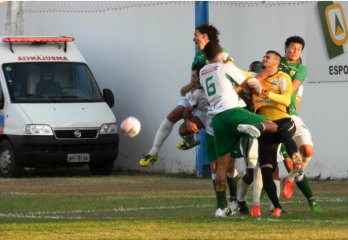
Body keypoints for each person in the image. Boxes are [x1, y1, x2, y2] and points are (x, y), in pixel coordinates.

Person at [200, 42, 278, 218]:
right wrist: (263, 74)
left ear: (206, 57)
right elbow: (248, 83)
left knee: (222, 166)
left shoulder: (203, 72)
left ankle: (221, 208)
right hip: (232, 112)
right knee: (272, 126)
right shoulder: (225, 66)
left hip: (217, 119)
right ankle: (252, 128)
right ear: (221, 54)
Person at [139, 23, 222, 167]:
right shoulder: (198, 56)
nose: (193, 39)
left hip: (209, 100)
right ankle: (153, 153)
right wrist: (188, 87)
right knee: (172, 116)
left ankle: (192, 143)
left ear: (204, 36)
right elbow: (194, 81)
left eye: (195, 35)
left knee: (184, 129)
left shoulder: (220, 53)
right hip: (196, 94)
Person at [240, 50, 303, 217]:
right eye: (263, 57)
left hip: (283, 120)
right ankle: (276, 207)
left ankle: (296, 163)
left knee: (283, 133)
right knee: (266, 169)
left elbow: (286, 100)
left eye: (267, 57)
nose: (264, 59)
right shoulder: (255, 77)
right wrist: (258, 79)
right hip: (264, 126)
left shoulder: (283, 77)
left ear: (276, 62)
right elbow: (241, 86)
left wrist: (265, 92)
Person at [278, 36, 320, 212]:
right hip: (271, 117)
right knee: (267, 166)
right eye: (292, 47)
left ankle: (290, 179)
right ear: (285, 47)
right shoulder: (274, 62)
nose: (295, 51)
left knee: (308, 151)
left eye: (298, 49)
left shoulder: (301, 69)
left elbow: (292, 89)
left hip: (291, 116)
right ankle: (267, 204)